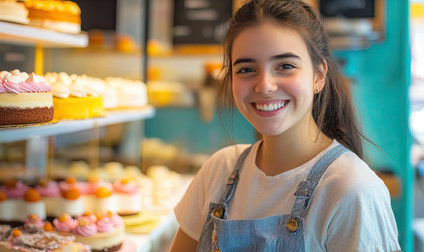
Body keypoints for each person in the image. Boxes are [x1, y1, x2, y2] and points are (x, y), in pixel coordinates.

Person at [170, 0, 401, 251]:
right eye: (246, 69)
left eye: (285, 66)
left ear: (318, 76)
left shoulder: (352, 189)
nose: (265, 85)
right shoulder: (218, 171)